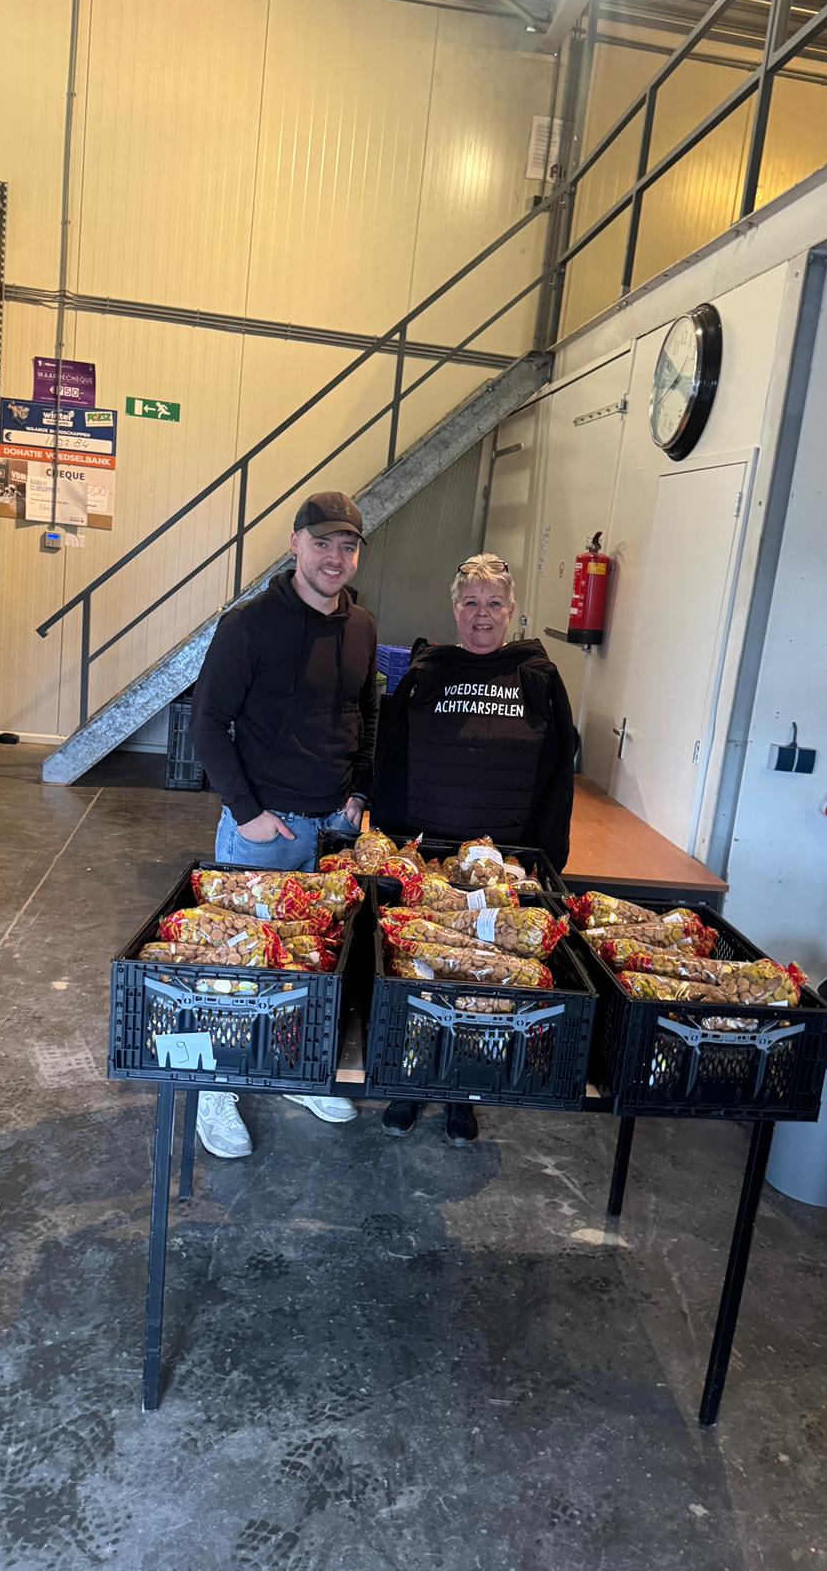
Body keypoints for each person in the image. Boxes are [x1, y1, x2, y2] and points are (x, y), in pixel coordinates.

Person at [189, 490, 378, 1159]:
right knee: (238, 967)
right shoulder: (249, 625)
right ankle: (215, 1091)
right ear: (295, 543)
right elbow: (207, 724)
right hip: (264, 834)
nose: (335, 557)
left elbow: (366, 716)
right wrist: (249, 814)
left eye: (348, 546)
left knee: (313, 965)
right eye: (322, 543)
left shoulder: (362, 627)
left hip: (333, 834)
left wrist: (358, 793)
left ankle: (295, 1074)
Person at [371, 552, 575, 1146]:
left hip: (500, 870)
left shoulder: (538, 681)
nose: (481, 615)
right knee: (422, 973)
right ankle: (411, 1083)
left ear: (511, 610)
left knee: (484, 980)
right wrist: (391, 846)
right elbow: (392, 757)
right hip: (429, 865)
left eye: (493, 604)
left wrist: (543, 856)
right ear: (454, 608)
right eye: (470, 603)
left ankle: (463, 1091)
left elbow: (558, 771)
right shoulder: (427, 673)